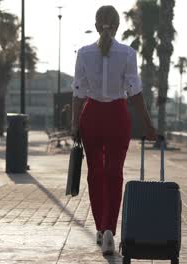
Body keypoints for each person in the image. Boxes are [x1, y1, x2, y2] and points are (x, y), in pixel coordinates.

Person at [70, 5, 157, 256]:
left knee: (95, 173)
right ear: (117, 26)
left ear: (96, 25)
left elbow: (78, 93)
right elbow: (135, 93)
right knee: (114, 173)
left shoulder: (84, 53)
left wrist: (75, 124)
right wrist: (148, 125)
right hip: (118, 116)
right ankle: (110, 229)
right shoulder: (128, 53)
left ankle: (100, 228)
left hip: (92, 116)